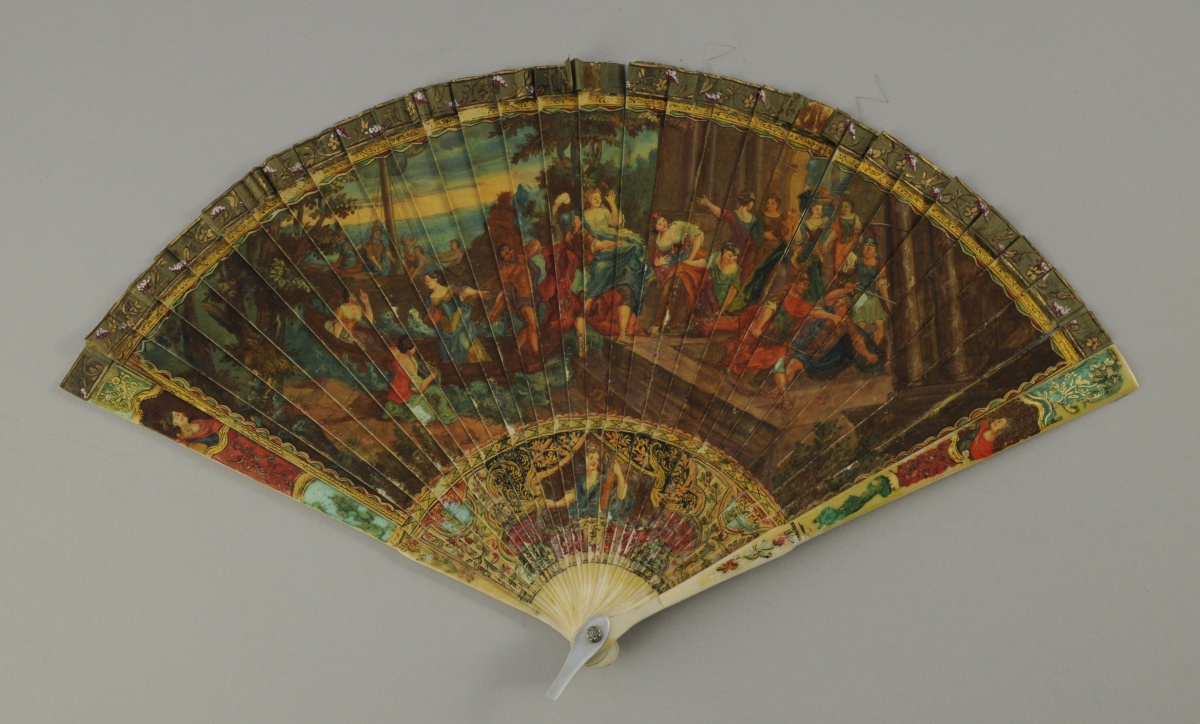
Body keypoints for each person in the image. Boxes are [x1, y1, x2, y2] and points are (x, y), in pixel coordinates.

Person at [768, 295, 882, 408]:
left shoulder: (848, 324)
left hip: (821, 357)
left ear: (847, 308)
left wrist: (867, 355)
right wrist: (831, 316)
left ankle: (779, 395)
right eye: (837, 302)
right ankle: (779, 394)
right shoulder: (830, 313)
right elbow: (814, 312)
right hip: (808, 348)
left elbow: (857, 341)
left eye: (841, 304)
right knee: (787, 362)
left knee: (792, 365)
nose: (837, 306)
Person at [581, 187, 649, 344]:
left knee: (635, 244)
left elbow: (616, 223)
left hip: (611, 235)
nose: (598, 200)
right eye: (594, 198)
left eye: (599, 197)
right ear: (588, 199)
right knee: (622, 250)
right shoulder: (584, 215)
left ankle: (632, 266)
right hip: (602, 244)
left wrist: (612, 203)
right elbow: (590, 242)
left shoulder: (604, 210)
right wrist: (608, 244)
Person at [544, 441, 635, 521]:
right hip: (584, 522)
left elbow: (620, 497)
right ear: (585, 459)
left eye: (597, 459)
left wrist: (619, 475)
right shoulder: (582, 481)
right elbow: (573, 495)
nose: (594, 461)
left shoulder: (604, 479)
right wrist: (556, 504)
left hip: (602, 521)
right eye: (591, 458)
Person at [647, 212, 706, 333]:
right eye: (659, 224)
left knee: (685, 284)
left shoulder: (677, 226)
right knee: (666, 289)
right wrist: (657, 262)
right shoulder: (657, 240)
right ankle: (659, 323)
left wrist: (690, 258)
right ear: (656, 228)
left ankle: (687, 321)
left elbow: (698, 235)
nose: (663, 224)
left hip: (688, 260)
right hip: (672, 266)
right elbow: (653, 257)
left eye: (663, 221)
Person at [541, 203, 588, 356]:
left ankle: (581, 348)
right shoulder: (567, 252)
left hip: (565, 289)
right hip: (567, 289)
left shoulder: (560, 249)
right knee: (578, 311)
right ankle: (581, 348)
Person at [384, 336, 459, 425]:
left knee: (436, 390)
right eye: (414, 346)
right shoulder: (409, 365)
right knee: (429, 418)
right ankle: (398, 410)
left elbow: (390, 366)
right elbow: (418, 389)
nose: (415, 348)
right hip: (408, 396)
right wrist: (431, 377)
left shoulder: (396, 352)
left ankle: (444, 415)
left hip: (396, 391)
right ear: (409, 350)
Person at [422, 270, 490, 363]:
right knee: (450, 355)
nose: (426, 283)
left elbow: (464, 290)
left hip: (459, 324)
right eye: (425, 281)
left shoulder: (449, 289)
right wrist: (431, 316)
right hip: (445, 330)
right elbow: (427, 317)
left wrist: (478, 292)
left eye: (428, 281)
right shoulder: (429, 298)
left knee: (467, 346)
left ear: (436, 279)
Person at [490, 243, 542, 355]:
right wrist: (494, 311)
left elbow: (537, 245)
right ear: (503, 259)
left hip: (534, 298)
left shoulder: (522, 259)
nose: (510, 253)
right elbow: (504, 291)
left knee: (528, 325)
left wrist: (526, 258)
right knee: (533, 323)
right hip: (522, 300)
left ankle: (517, 349)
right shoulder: (505, 270)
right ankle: (536, 353)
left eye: (510, 249)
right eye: (506, 254)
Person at [694, 243, 748, 331]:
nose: (731, 260)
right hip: (713, 294)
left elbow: (733, 291)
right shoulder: (715, 258)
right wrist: (686, 261)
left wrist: (723, 309)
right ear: (724, 251)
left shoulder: (735, 270)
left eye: (734, 259)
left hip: (728, 301)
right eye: (729, 256)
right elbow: (703, 262)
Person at [848, 239, 890, 346]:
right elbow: (849, 276)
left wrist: (887, 302)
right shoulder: (857, 261)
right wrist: (850, 282)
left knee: (880, 326)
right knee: (859, 328)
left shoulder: (880, 264)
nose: (866, 250)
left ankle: (876, 348)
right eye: (864, 248)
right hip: (860, 297)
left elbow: (882, 283)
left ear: (874, 250)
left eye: (869, 248)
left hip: (873, 298)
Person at [697, 190, 764, 257]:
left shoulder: (731, 215)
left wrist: (708, 203)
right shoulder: (754, 219)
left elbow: (720, 213)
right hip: (743, 251)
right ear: (750, 203)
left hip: (736, 250)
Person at [826, 199, 863, 278]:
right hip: (840, 243)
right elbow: (835, 231)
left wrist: (856, 238)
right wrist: (826, 243)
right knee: (838, 263)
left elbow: (858, 231)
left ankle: (849, 278)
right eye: (842, 206)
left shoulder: (855, 218)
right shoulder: (839, 219)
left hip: (852, 242)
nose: (844, 208)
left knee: (850, 262)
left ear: (851, 207)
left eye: (846, 206)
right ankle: (838, 279)